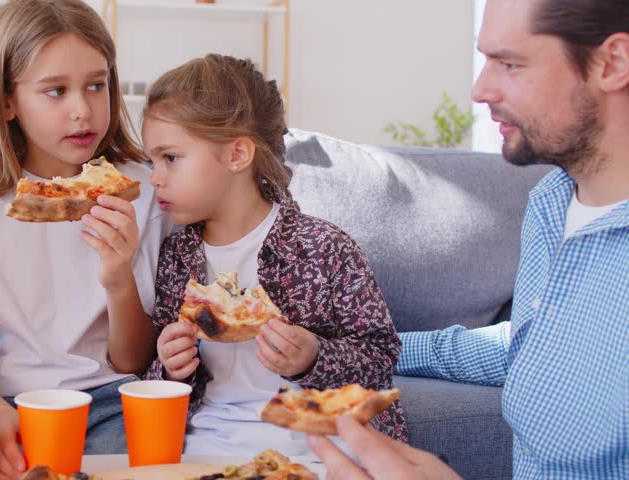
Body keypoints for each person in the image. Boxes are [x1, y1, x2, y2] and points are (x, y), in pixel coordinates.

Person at [309, 0, 629, 477]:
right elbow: (531, 345)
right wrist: (343, 349)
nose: (480, 90)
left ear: (612, 63)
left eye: (510, 64)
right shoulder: (551, 202)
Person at [0, 1, 170, 478]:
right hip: (6, 397)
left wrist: (118, 278)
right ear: (6, 101)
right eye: (55, 91)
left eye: (96, 85)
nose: (82, 110)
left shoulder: (140, 193)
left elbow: (132, 359)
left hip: (108, 398)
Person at [141, 54, 406, 457]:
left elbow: (380, 357)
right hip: (210, 438)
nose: (155, 177)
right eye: (151, 161)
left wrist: (314, 357)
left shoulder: (325, 247)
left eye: (171, 158)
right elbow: (158, 369)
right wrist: (169, 363)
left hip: (321, 440)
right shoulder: (177, 255)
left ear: (237, 155)